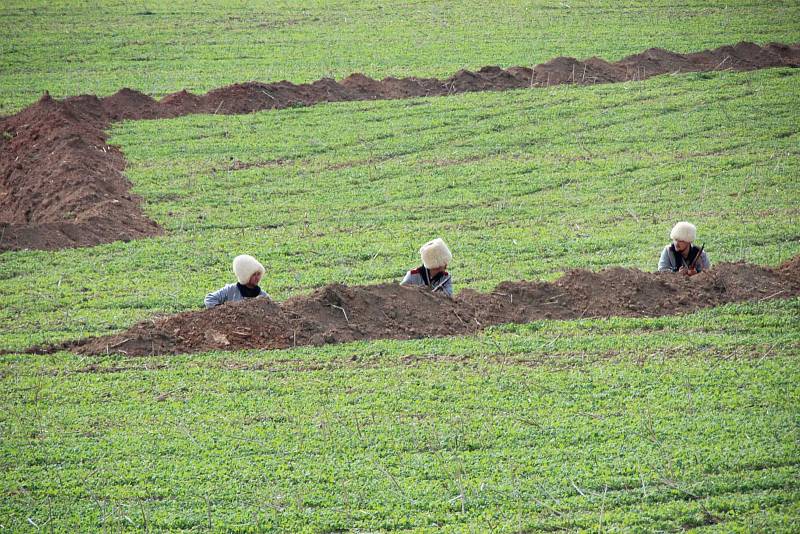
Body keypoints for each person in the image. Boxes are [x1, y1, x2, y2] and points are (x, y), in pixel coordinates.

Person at [204, 254, 270, 308]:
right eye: (253, 275)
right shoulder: (230, 290)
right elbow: (209, 299)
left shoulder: (263, 296)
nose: (257, 278)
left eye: (258, 274)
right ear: (244, 275)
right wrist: (223, 311)